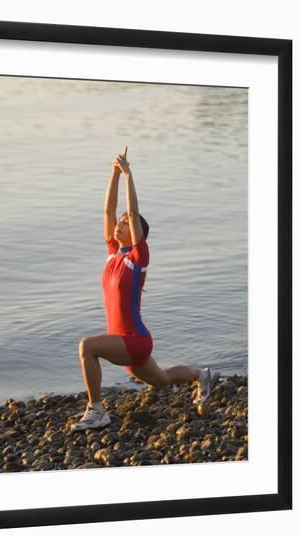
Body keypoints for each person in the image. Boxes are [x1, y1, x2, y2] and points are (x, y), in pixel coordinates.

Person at [72, 146, 220, 431]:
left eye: (127, 223)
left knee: (87, 347)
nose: (120, 223)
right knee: (163, 379)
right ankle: (203, 375)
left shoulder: (137, 259)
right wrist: (113, 174)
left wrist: (129, 175)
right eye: (120, 222)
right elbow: (108, 209)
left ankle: (96, 410)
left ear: (138, 234)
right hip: (126, 343)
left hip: (135, 340)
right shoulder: (113, 254)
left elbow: (132, 209)